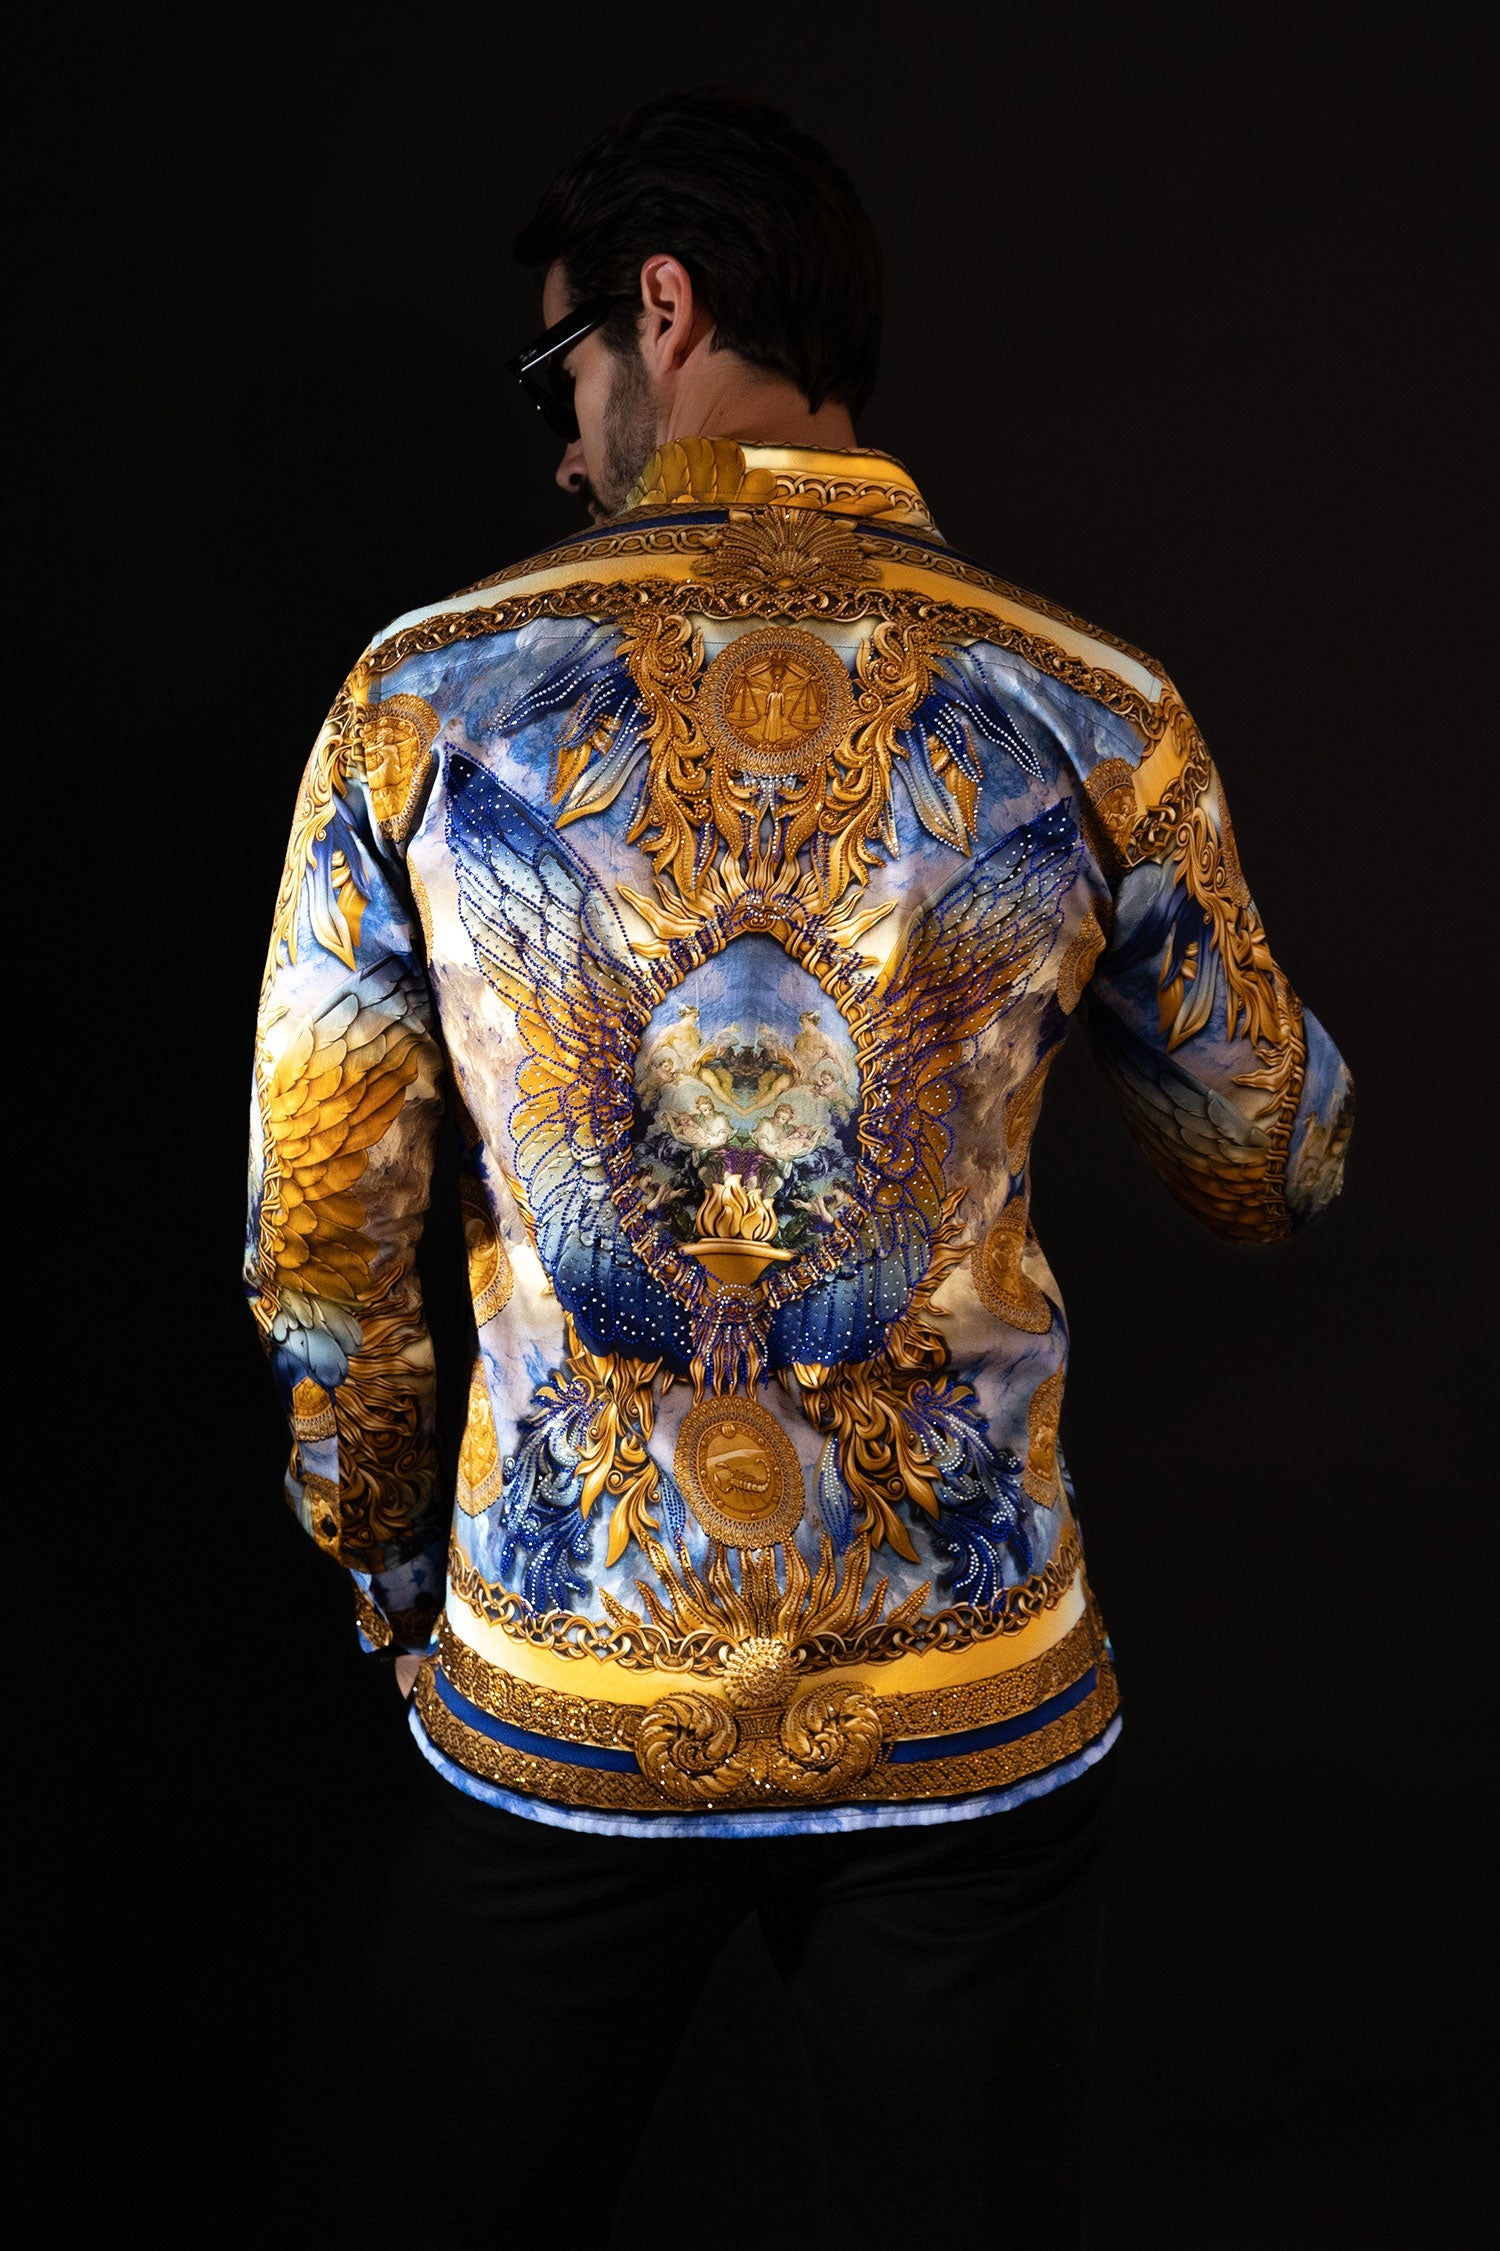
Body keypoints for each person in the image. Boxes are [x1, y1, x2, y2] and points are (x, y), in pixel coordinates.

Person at [246, 91, 1352, 2249]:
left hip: (573, 1691)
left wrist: (387, 1569)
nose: (560, 451)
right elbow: (1265, 1159)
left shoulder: (424, 701)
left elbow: (321, 1226)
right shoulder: (1090, 706)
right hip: (963, 1690)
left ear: (659, 310)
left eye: (561, 371)